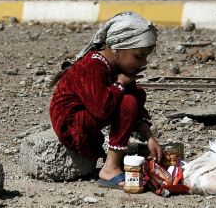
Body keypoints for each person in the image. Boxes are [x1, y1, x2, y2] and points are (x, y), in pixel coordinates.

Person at [49, 11, 163, 188]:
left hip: (88, 117)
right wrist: (120, 83)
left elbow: (135, 105)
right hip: (70, 124)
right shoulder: (93, 65)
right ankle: (110, 168)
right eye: (138, 56)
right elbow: (101, 108)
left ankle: (115, 160)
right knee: (127, 101)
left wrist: (149, 138)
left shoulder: (114, 65)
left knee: (135, 95)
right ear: (117, 49)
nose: (143, 63)